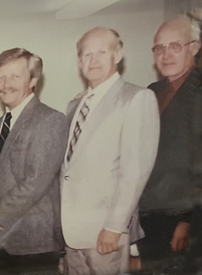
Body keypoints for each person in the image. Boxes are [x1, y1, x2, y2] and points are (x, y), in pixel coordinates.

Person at [60, 27, 160, 275]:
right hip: (72, 232)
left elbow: (135, 171)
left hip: (105, 233)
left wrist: (115, 227)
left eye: (101, 52)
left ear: (118, 54)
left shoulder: (137, 98)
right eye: (86, 55)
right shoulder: (75, 104)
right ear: (78, 60)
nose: (92, 61)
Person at [0, 48, 68, 274]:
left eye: (15, 76)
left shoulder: (50, 120)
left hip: (33, 246)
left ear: (33, 80)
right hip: (2, 244)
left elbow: (34, 182)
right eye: (1, 77)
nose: (6, 84)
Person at [136, 15, 202, 273]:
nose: (165, 54)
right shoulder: (151, 92)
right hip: (149, 215)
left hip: (183, 219)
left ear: (195, 47)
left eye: (175, 45)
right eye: (159, 47)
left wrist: (188, 221)